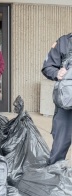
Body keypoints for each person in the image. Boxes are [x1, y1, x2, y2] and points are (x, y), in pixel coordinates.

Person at [41, 33, 72, 165]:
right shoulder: (64, 42)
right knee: (59, 145)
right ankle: (54, 177)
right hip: (66, 104)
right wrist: (56, 73)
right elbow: (47, 67)